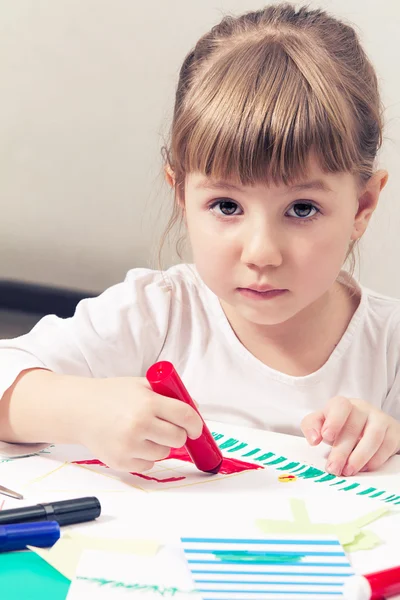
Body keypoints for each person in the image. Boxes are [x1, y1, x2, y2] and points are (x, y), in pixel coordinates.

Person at [0, 3, 398, 479]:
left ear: (362, 207)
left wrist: (391, 440)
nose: (261, 253)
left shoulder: (388, 346)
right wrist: (83, 408)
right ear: (182, 195)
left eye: (302, 209)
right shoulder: (158, 312)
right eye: (227, 206)